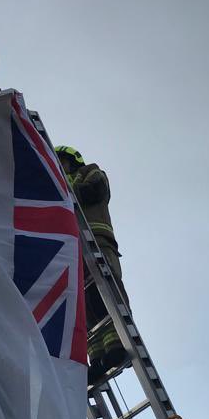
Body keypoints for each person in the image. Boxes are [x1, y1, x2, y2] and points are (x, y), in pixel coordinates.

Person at [55, 146, 131, 386]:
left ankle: (120, 342)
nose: (60, 165)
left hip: (98, 242)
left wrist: (61, 186)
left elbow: (91, 191)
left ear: (72, 160)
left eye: (62, 161)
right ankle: (98, 356)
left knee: (105, 294)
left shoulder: (91, 172)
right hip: (74, 248)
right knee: (84, 305)